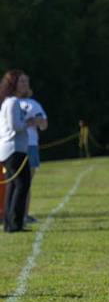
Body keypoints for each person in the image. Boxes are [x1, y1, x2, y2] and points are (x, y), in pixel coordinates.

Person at [0, 70, 35, 233]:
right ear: (13, 84)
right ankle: (15, 224)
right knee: (22, 185)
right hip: (14, 150)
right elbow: (15, 126)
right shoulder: (13, 102)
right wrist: (28, 122)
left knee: (13, 186)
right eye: (21, 82)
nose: (25, 85)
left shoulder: (9, 102)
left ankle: (10, 223)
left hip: (11, 149)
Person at [17, 77, 47, 223]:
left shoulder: (33, 104)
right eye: (21, 82)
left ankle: (24, 215)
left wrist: (36, 121)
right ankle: (13, 214)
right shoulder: (8, 103)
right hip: (12, 146)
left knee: (26, 182)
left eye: (26, 83)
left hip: (30, 145)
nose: (24, 85)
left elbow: (43, 125)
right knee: (14, 182)